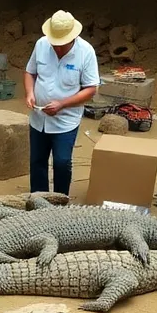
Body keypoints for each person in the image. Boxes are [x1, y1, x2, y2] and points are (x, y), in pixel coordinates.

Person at [24, 10, 100, 195]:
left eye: (62, 44)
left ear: (72, 37)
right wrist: (29, 93)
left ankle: (60, 200)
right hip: (38, 117)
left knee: (61, 161)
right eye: (54, 44)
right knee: (37, 161)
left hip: (66, 120)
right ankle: (39, 199)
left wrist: (62, 104)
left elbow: (91, 89)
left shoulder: (85, 52)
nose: (57, 48)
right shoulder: (41, 45)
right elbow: (30, 72)